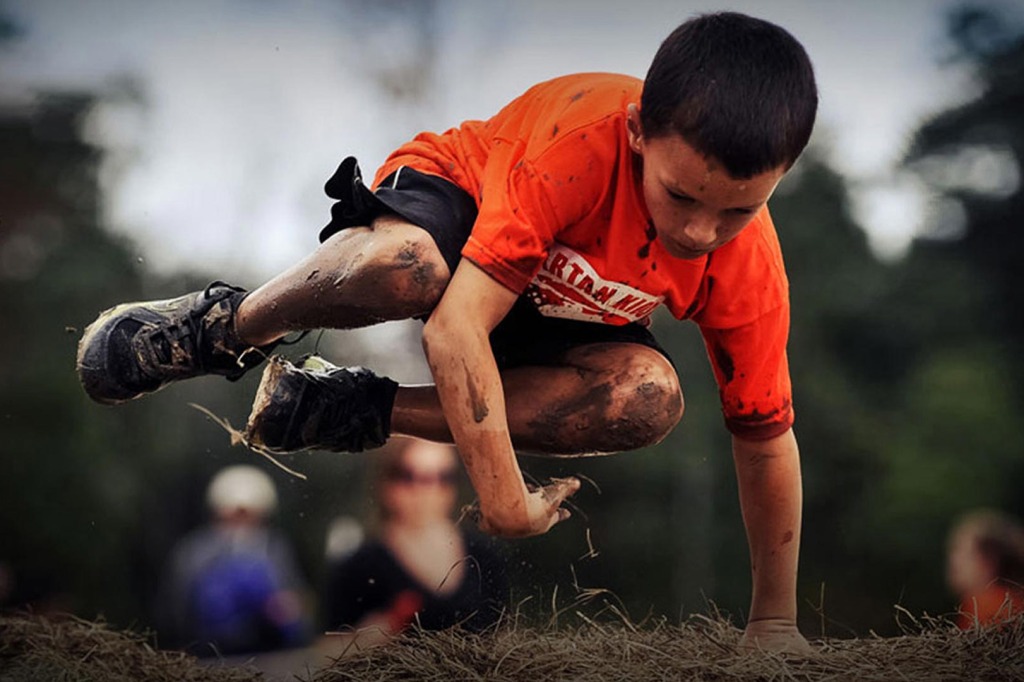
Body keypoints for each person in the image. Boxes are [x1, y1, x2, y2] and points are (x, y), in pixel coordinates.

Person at [77, 12, 817, 652]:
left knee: (650, 397)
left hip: (553, 313)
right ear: (635, 135)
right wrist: (503, 497)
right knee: (407, 266)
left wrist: (775, 622)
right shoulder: (577, 146)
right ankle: (224, 328)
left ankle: (348, 408)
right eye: (680, 195)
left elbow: (764, 441)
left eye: (737, 211)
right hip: (460, 221)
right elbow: (457, 326)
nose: (699, 231)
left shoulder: (747, 268)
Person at [322, 437, 507, 639]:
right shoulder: (360, 566)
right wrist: (367, 638)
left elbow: (503, 636)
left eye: (442, 477)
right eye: (408, 476)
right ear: (385, 480)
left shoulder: (483, 556)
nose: (425, 491)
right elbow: (324, 654)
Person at [156, 465, 313, 656]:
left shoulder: (275, 549)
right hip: (209, 656)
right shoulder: (195, 550)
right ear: (218, 512)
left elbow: (295, 603)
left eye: (248, 515)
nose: (241, 523)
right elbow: (176, 609)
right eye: (234, 515)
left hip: (269, 656)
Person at [946, 509, 1024, 629]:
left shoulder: (984, 607)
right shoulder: (1015, 604)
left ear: (990, 560)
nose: (953, 560)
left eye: (960, 551)